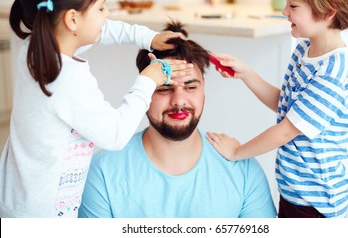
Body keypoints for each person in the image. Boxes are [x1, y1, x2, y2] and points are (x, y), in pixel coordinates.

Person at [0, 0, 193, 218]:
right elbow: (115, 134)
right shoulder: (65, 78)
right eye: (102, 8)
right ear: (72, 20)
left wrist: (148, 37)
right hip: (42, 215)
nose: (107, 14)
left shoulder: (37, 47)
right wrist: (149, 80)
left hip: (18, 196)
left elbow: (104, 30)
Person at [207, 0, 348, 218]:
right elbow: (287, 106)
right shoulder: (305, 51)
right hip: (294, 189)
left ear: (328, 12)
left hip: (315, 201)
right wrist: (246, 73)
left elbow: (285, 132)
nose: (285, 11)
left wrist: (237, 151)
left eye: (293, 5)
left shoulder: (333, 72)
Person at [78, 21, 277, 218]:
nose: (179, 101)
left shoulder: (243, 170)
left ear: (203, 89)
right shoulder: (103, 172)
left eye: (191, 88)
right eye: (165, 89)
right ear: (144, 91)